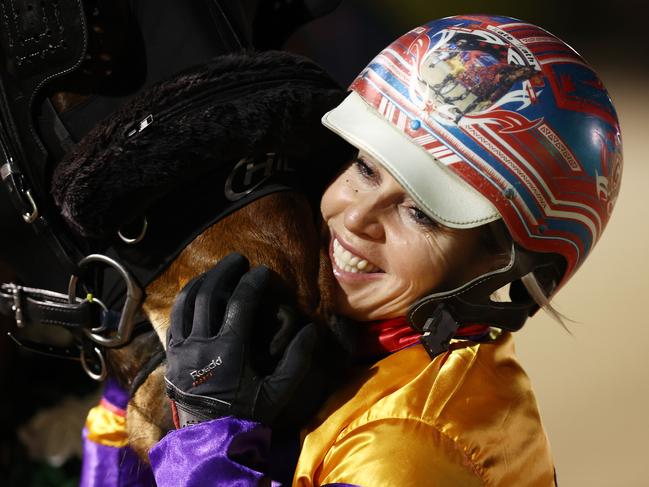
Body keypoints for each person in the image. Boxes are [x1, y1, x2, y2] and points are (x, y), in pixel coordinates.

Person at [149, 14, 622, 486]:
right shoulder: (354, 351)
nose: (355, 217)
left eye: (421, 213)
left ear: (498, 264)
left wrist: (205, 440)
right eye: (365, 169)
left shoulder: (409, 441)